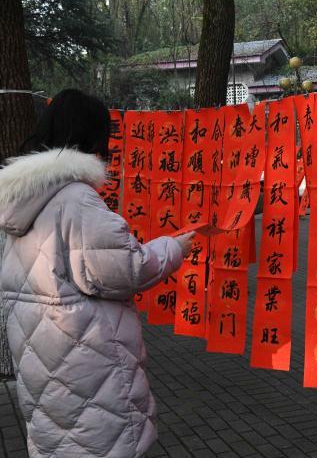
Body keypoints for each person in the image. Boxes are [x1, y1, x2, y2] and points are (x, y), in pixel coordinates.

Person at [0, 89, 195, 457]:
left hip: (41, 360)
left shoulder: (21, 201)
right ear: (91, 136)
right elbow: (125, 269)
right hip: (87, 367)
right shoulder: (76, 199)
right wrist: (173, 248)